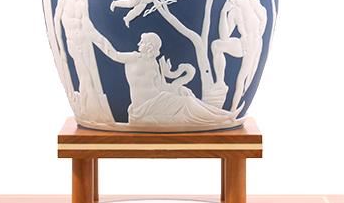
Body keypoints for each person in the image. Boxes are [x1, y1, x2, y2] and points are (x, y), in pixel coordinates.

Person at [90, 31, 238, 129]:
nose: (139, 44)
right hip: (144, 105)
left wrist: (178, 88)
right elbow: (113, 53)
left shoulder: (153, 63)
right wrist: (93, 35)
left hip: (158, 99)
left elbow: (160, 86)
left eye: (142, 42)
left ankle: (220, 115)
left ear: (150, 46)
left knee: (187, 96)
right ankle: (219, 117)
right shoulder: (134, 58)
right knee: (186, 103)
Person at [53, 0, 113, 123]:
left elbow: (88, 26)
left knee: (89, 76)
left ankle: (89, 108)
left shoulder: (81, 4)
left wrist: (104, 44)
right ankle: (88, 109)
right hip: (73, 43)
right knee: (85, 75)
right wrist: (60, 47)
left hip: (85, 42)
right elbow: (56, 22)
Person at [211, 0, 267, 111]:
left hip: (253, 44)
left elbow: (264, 17)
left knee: (241, 78)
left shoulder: (252, 1)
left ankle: (233, 110)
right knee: (216, 45)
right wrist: (224, 12)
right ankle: (220, 82)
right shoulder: (234, 12)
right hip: (242, 43)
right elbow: (224, 36)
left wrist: (257, 37)